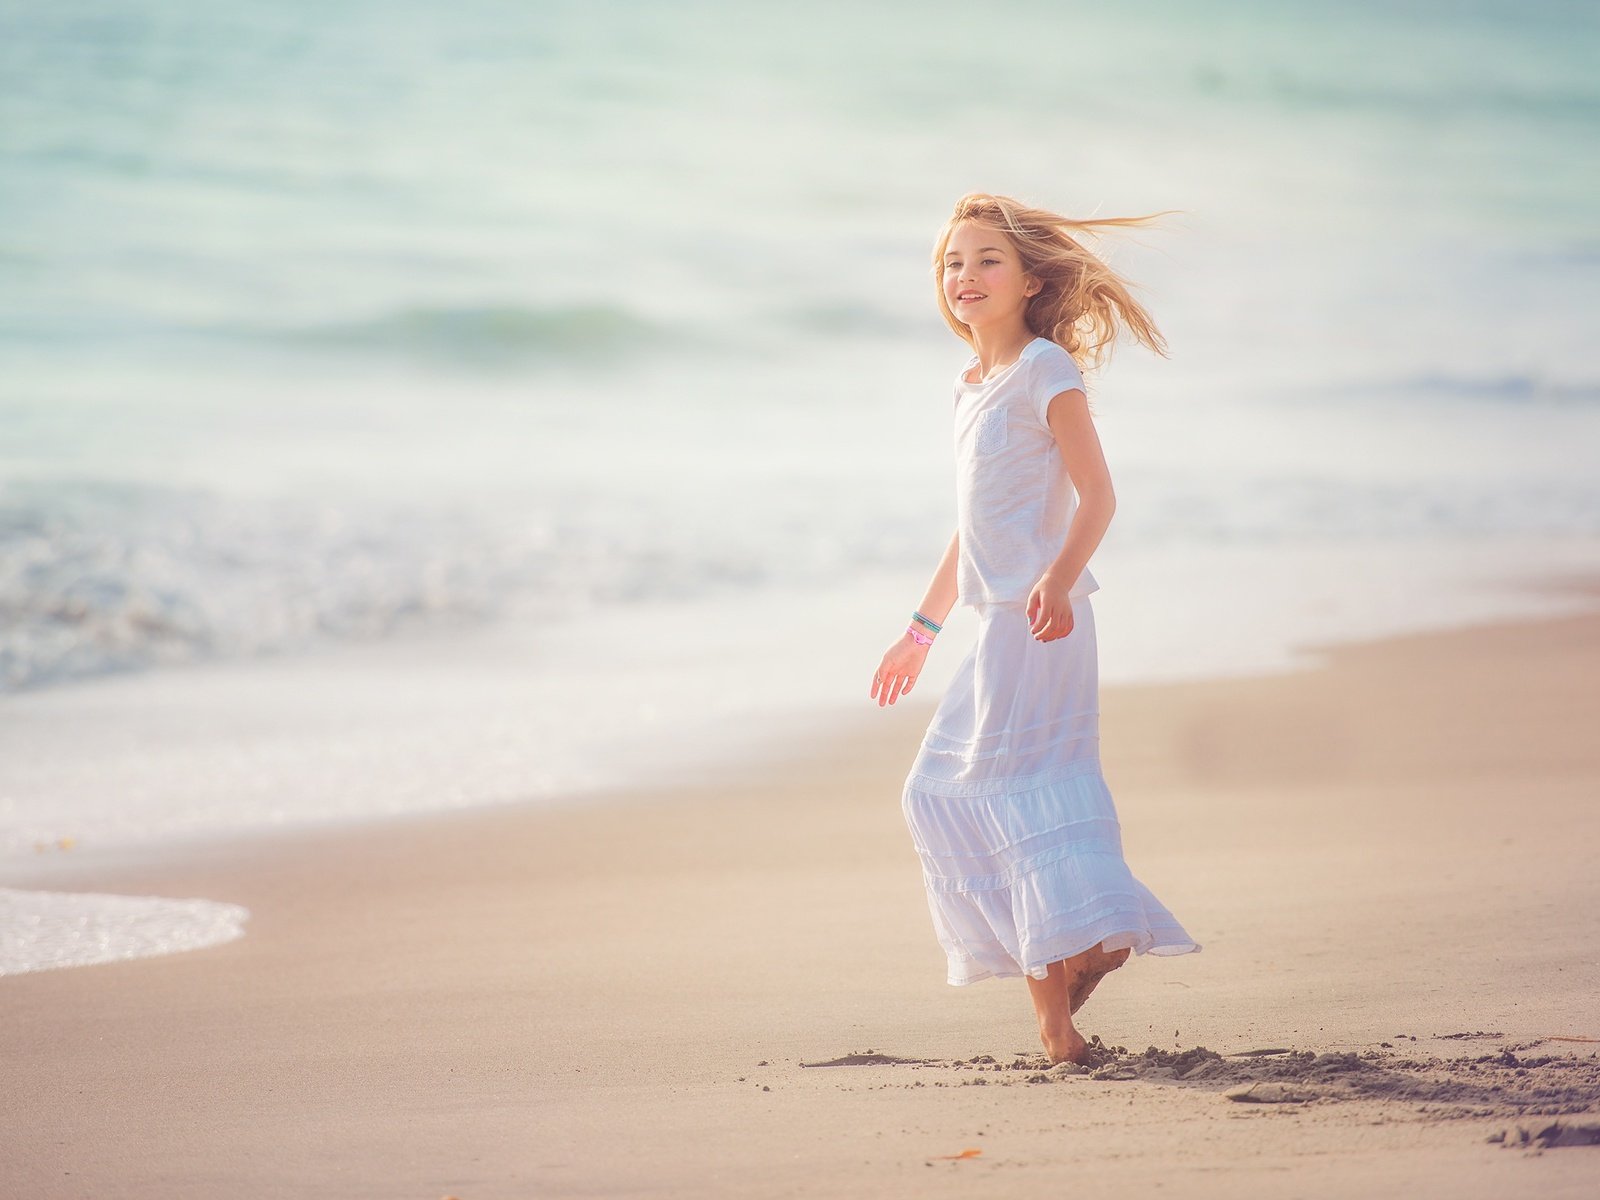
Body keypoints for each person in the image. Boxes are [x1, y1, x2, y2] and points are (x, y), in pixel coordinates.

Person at [871, 192, 1201, 1066]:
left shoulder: (1046, 369)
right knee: (956, 794)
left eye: (986, 260)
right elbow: (970, 528)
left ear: (1028, 280)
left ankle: (1061, 1014)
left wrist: (1055, 579)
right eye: (953, 262)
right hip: (996, 620)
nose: (965, 276)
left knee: (994, 795)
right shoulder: (970, 384)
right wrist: (918, 630)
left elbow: (1100, 496)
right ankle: (1083, 959)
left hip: (1043, 622)